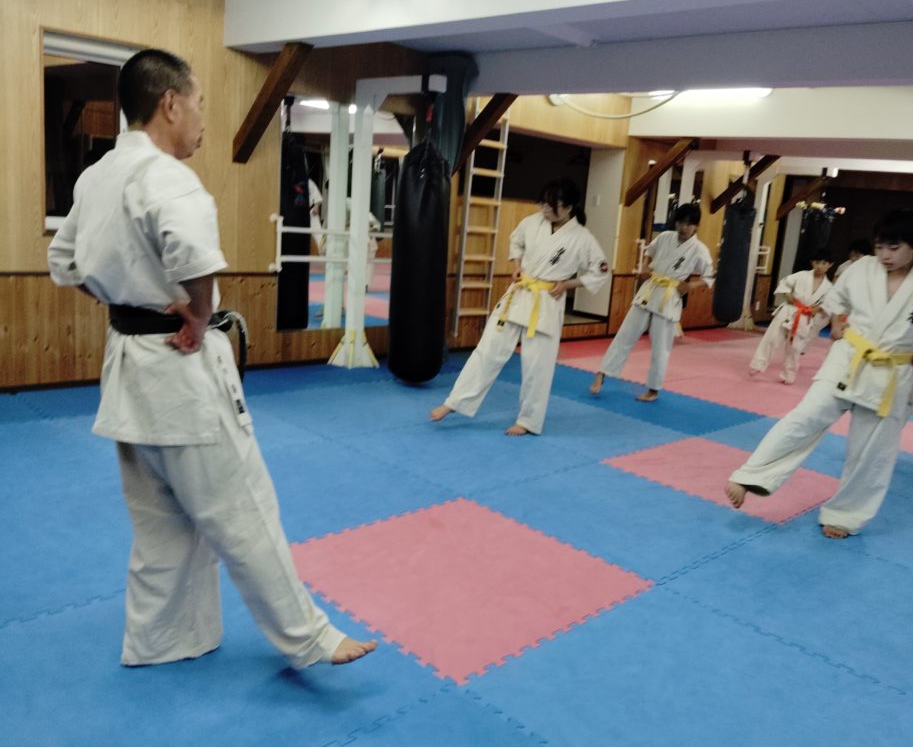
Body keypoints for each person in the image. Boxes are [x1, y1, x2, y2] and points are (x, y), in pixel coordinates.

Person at [47, 49, 376, 669]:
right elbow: (195, 262)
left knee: (161, 524)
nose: (202, 118)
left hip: (127, 367)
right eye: (199, 103)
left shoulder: (97, 175)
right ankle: (308, 636)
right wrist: (197, 317)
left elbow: (64, 265)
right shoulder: (169, 178)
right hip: (181, 369)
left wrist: (126, 301)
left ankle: (160, 640)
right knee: (244, 508)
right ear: (170, 103)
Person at [724, 210, 913, 538]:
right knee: (805, 416)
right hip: (848, 357)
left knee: (870, 449)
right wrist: (837, 323)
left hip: (892, 371)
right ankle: (752, 476)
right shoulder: (861, 268)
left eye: (894, 248)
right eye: (880, 247)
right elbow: (836, 300)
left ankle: (845, 514)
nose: (885, 255)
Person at [430, 178, 610, 435]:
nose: (545, 209)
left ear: (569, 207)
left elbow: (600, 270)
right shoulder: (531, 222)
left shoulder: (582, 238)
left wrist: (568, 284)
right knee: (487, 350)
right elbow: (516, 241)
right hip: (519, 295)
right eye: (543, 203)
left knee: (538, 365)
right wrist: (516, 266)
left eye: (552, 205)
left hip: (547, 302)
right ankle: (454, 402)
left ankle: (528, 421)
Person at [588, 203, 714, 402]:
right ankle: (602, 373)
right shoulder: (665, 237)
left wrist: (690, 286)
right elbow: (649, 251)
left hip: (669, 297)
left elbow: (709, 277)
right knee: (625, 335)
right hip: (649, 291)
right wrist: (645, 267)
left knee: (661, 348)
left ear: (696, 226)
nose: (683, 227)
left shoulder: (700, 249)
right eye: (680, 223)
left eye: (688, 224)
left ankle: (653, 390)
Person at [748, 249, 834, 384]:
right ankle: (757, 365)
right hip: (788, 311)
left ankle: (788, 375)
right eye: (817, 262)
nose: (819, 266)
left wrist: (814, 309)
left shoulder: (829, 287)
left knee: (795, 348)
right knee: (772, 338)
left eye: (824, 263)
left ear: (830, 265)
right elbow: (784, 284)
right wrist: (789, 297)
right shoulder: (801, 275)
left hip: (805, 317)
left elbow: (826, 304)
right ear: (812, 263)